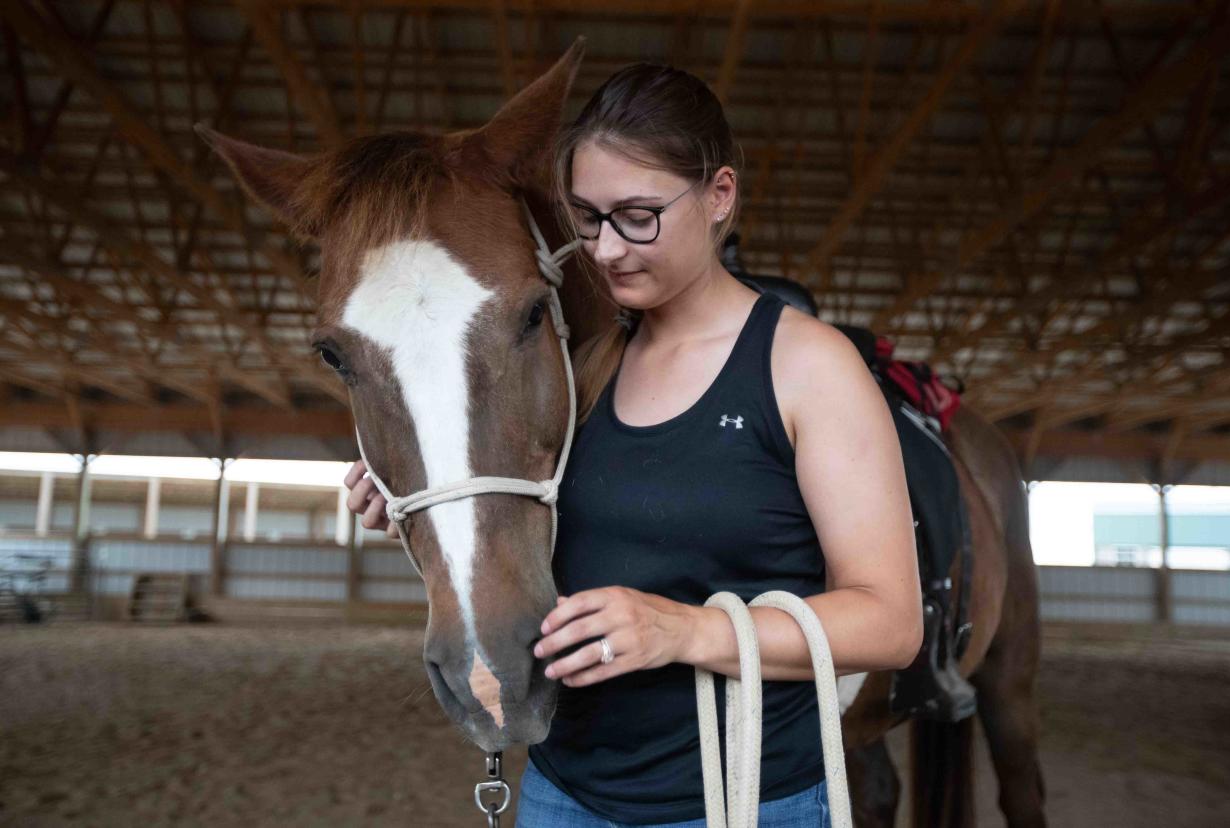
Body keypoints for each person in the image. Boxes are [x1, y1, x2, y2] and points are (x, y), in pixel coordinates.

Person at [344, 63, 923, 826]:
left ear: (720, 196)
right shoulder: (578, 370)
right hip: (562, 795)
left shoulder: (807, 366)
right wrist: (421, 493)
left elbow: (890, 624)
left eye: (638, 216)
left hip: (749, 801)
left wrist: (683, 630)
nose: (607, 249)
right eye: (586, 217)